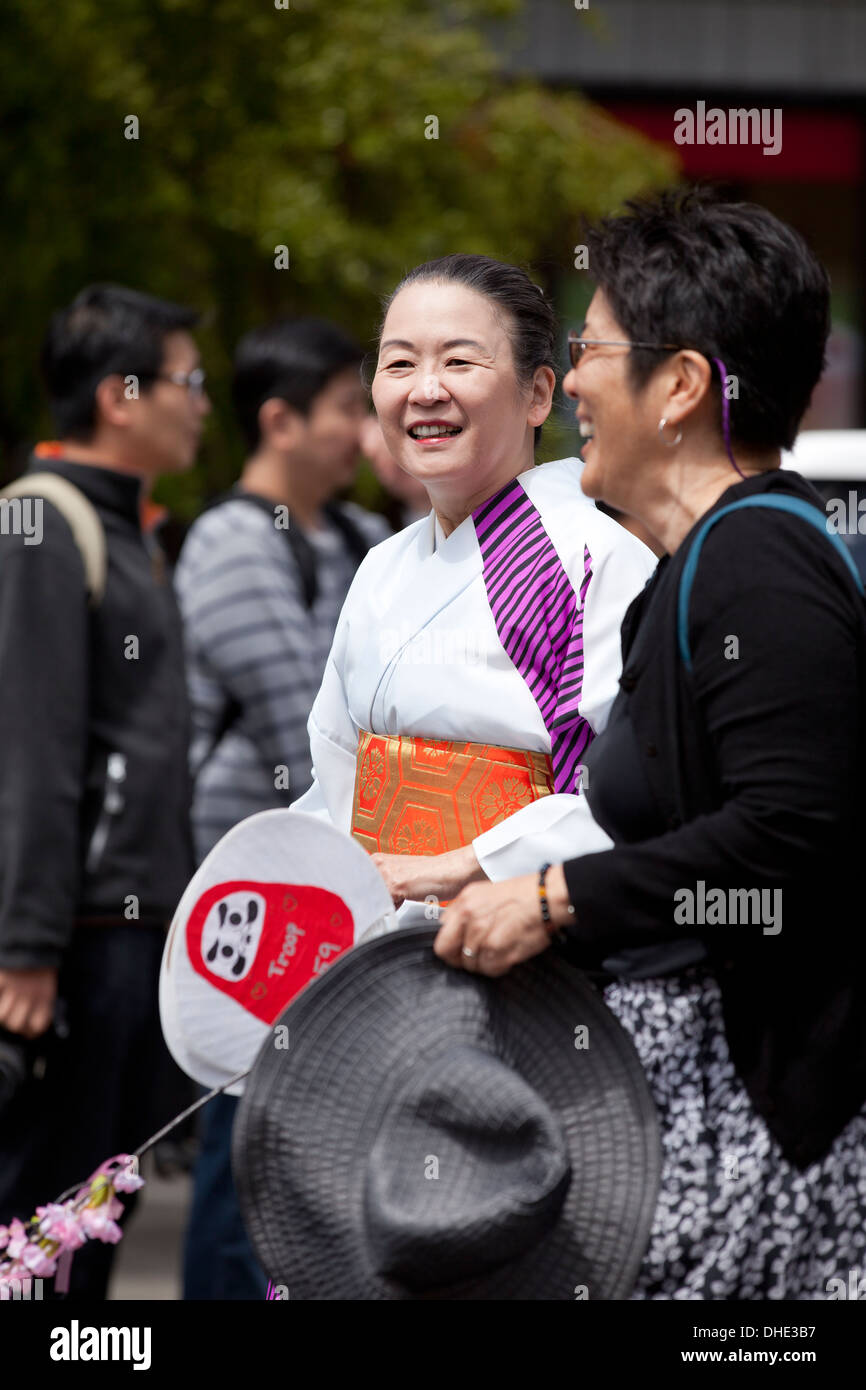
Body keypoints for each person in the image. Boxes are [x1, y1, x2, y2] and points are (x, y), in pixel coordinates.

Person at [435, 189, 866, 1299]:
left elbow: (784, 837)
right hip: (696, 1137)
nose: (567, 381)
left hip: (761, 1154)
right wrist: (488, 872)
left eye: (587, 349)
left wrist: (551, 902)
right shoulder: (701, 564)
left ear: (677, 386)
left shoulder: (756, 564)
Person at [292, 254, 658, 916]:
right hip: (379, 944)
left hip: (532, 942)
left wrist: (468, 867)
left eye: (459, 362)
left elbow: (635, 793)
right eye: (399, 364)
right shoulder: (382, 566)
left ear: (539, 394)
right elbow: (334, 776)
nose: (425, 390)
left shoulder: (594, 559)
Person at [175, 317, 389, 1300]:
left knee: (307, 1148)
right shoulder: (228, 538)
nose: (366, 427)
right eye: (350, 407)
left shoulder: (350, 534)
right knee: (245, 1138)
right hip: (262, 897)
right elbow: (302, 719)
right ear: (280, 421)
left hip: (338, 884)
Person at [0, 283, 207, 1298]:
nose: (201, 402)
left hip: (132, 934)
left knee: (93, 1227)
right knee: (43, 1231)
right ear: (122, 394)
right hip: (76, 941)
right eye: (187, 380)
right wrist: (26, 949)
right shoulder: (45, 521)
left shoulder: (134, 532)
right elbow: (30, 750)